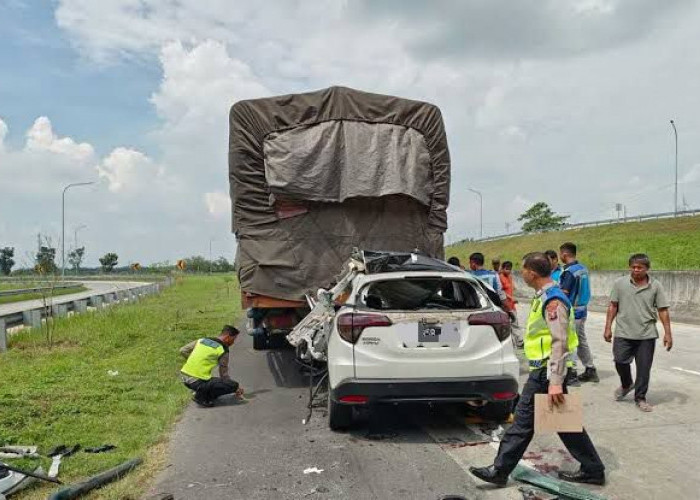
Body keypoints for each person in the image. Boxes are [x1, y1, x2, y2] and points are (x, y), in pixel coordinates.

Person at [469, 252, 605, 487]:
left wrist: (554, 382)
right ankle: (593, 469)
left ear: (532, 272)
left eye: (524, 269)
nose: (522, 273)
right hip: (546, 370)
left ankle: (500, 471)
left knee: (522, 422)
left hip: (547, 372)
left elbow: (559, 342)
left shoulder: (552, 300)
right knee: (562, 422)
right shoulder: (545, 296)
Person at [604, 253, 673, 413]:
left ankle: (640, 397)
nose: (636, 270)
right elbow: (613, 306)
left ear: (647, 268)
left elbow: (663, 310)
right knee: (620, 361)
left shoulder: (655, 286)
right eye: (633, 267)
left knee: (643, 369)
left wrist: (668, 333)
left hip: (646, 334)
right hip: (623, 332)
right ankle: (627, 383)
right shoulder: (620, 283)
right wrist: (608, 327)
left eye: (639, 267)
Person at [559, 242, 598, 383]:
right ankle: (590, 369)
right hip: (582, 310)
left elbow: (564, 292)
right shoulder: (582, 268)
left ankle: (572, 373)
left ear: (564, 254)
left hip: (572, 312)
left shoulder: (570, 271)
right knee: (581, 341)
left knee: (570, 342)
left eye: (560, 254)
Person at [180, 325, 244, 407]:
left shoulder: (202, 340)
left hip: (184, 377)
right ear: (227, 337)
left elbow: (183, 350)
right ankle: (200, 396)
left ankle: (206, 394)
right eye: (233, 339)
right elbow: (223, 375)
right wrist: (235, 388)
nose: (233, 342)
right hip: (197, 381)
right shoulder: (223, 349)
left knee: (212, 381)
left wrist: (192, 359)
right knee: (233, 384)